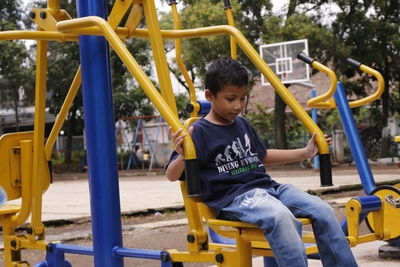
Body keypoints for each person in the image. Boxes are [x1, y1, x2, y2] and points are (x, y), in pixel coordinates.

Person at [166, 57, 358, 267]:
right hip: (235, 198)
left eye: (242, 98)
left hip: (269, 189)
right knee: (281, 217)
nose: (238, 106)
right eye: (231, 99)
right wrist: (184, 156)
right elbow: (171, 175)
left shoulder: (242, 124)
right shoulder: (198, 132)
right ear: (210, 96)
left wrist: (304, 153)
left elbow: (262, 155)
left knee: (323, 210)